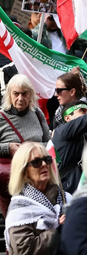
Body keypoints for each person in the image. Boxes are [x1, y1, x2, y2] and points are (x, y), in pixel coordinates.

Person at [5, 142, 71, 255]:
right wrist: (59, 231)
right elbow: (25, 252)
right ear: (23, 170)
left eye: (47, 159)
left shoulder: (66, 198)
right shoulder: (19, 208)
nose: (44, 164)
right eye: (36, 162)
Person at [0, 75, 50, 216]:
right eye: (16, 94)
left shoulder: (37, 113)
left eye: (24, 93)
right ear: (9, 95)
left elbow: (49, 143)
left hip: (38, 182)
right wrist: (8, 147)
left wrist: (30, 149)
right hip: (11, 184)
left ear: (31, 94)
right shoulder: (1, 117)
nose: (20, 98)